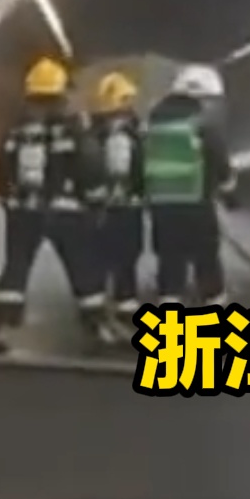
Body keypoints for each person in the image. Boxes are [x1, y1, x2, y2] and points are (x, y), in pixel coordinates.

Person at [0, 56, 105, 354]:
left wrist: (9, 201)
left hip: (23, 212)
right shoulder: (73, 127)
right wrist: (95, 201)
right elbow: (89, 165)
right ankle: (95, 325)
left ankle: (4, 327)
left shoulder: (17, 130)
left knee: (16, 268)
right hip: (66, 212)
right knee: (83, 268)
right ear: (61, 93)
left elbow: (2, 170)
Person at [143, 64, 236, 306]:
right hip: (196, 204)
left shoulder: (154, 120)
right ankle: (214, 311)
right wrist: (228, 189)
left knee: (170, 261)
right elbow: (218, 158)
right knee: (206, 260)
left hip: (162, 205)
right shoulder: (203, 122)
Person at [85, 70, 148, 327]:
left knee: (102, 258)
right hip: (126, 207)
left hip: (99, 209)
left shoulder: (92, 133)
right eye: (127, 99)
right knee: (127, 257)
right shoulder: (125, 133)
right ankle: (125, 306)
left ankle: (99, 306)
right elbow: (131, 169)